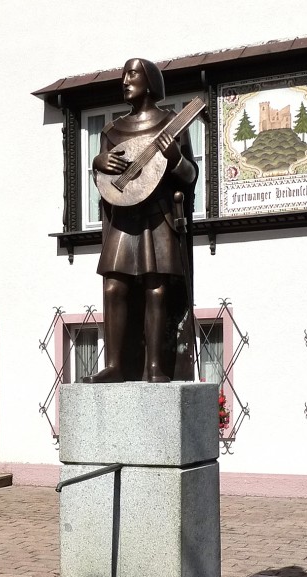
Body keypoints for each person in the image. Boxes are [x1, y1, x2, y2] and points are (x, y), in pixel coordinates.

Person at [86, 58, 198, 383]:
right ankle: (116, 364)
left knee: (157, 286)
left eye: (132, 74)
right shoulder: (111, 130)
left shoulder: (172, 124)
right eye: (123, 74)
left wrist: (175, 159)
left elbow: (189, 175)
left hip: (157, 214)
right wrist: (98, 160)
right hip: (123, 216)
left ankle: (155, 365)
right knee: (113, 285)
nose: (125, 80)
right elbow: (104, 181)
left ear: (149, 82)